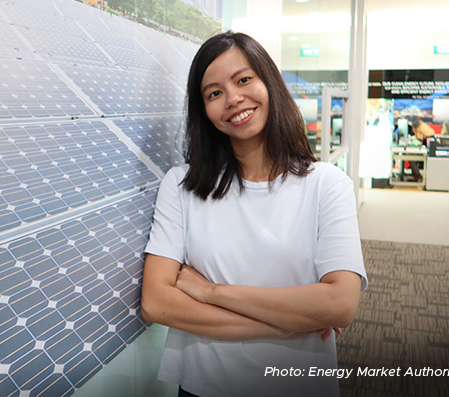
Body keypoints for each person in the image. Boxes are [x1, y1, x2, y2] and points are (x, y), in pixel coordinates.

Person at [140, 31, 367, 397]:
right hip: (203, 387)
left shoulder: (327, 184)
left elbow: (340, 304)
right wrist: (284, 324)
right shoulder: (181, 185)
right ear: (205, 111)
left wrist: (210, 291)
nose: (233, 99)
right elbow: (156, 302)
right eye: (214, 93)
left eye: (243, 80)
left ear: (269, 83)